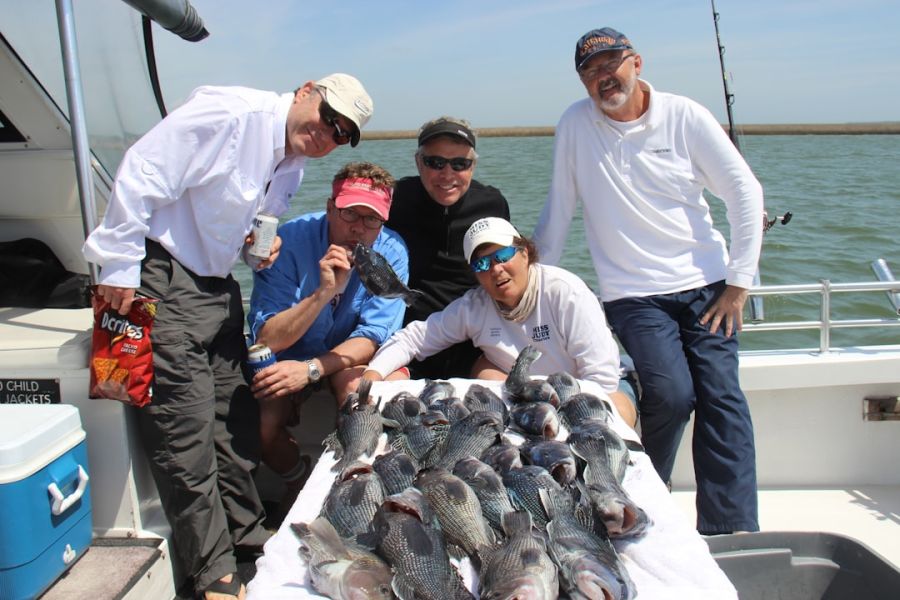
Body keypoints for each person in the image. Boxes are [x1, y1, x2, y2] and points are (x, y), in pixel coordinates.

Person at [82, 73, 373, 600]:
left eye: (342, 134)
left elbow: (240, 222)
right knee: (184, 434)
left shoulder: (291, 161)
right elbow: (142, 170)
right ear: (306, 90)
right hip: (158, 277)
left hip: (217, 288)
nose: (328, 133)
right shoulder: (230, 114)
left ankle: (248, 541)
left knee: (233, 424)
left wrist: (254, 248)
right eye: (328, 117)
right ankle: (213, 575)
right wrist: (118, 265)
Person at [533, 27, 763, 535]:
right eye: (590, 71)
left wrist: (739, 284)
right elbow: (559, 208)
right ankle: (640, 500)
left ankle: (731, 528)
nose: (602, 77)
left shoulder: (685, 116)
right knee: (670, 394)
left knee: (723, 398)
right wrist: (531, 280)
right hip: (633, 295)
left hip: (709, 286)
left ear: (636, 63)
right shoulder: (575, 124)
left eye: (610, 64)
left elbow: (745, 192)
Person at [247, 161, 409, 514]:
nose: (359, 228)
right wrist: (323, 293)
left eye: (372, 219)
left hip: (343, 359)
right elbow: (268, 337)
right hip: (288, 352)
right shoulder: (289, 242)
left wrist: (311, 370)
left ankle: (355, 493)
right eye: (350, 214)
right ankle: (297, 479)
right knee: (261, 426)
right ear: (330, 207)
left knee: (357, 394)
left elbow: (372, 336)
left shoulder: (392, 251)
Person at [363, 217, 637, 426]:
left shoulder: (566, 292)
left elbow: (601, 378)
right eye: (481, 264)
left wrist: (566, 417)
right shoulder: (475, 307)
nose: (496, 269)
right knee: (484, 373)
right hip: (528, 402)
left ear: (525, 253)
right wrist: (371, 376)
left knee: (615, 406)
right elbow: (414, 338)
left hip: (588, 391)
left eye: (503, 255)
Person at [385, 116, 510, 379]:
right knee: (379, 393)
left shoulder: (492, 204)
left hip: (473, 340)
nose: (447, 174)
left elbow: (511, 269)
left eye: (460, 164)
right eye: (435, 162)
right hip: (406, 339)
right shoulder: (393, 200)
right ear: (418, 162)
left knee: (501, 392)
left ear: (473, 166)